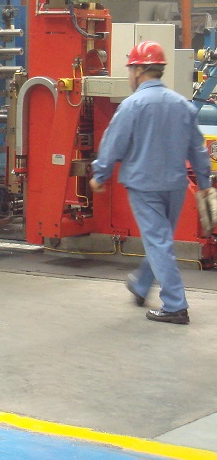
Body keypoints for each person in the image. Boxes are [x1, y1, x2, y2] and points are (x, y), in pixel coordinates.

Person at [90, 40, 213, 325]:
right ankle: (141, 284)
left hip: (144, 185)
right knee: (160, 239)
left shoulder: (132, 105)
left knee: (158, 241)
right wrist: (204, 181)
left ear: (139, 70)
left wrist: (100, 174)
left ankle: (175, 305)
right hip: (176, 185)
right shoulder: (182, 105)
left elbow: (113, 142)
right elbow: (197, 148)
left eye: (130, 69)